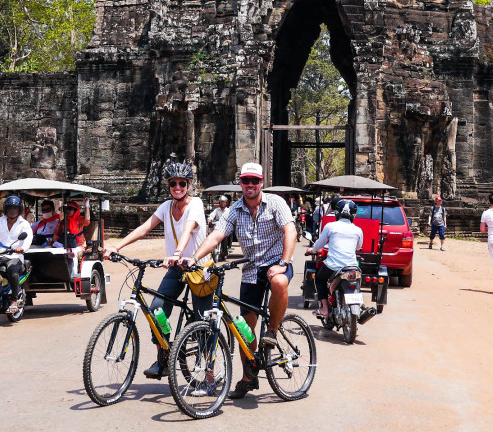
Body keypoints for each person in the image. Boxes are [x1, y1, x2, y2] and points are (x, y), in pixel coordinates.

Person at [185, 162, 296, 400]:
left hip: (277, 264)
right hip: (251, 271)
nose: (250, 185)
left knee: (278, 282)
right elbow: (216, 235)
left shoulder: (276, 203)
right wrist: (194, 258)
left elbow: (290, 231)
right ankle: (249, 377)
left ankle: (274, 331)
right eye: (246, 181)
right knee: (244, 329)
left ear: (262, 183)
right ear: (241, 184)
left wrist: (284, 263)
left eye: (255, 181)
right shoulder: (234, 210)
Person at [102, 160, 211, 380]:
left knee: (202, 322)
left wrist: (178, 254)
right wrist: (117, 246)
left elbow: (189, 230)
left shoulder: (196, 204)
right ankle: (164, 355)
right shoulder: (165, 207)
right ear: (168, 186)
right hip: (176, 269)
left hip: (199, 269)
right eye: (173, 183)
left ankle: (209, 373)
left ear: (188, 184)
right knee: (156, 309)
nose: (177, 187)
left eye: (182, 183)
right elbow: (145, 228)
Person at [306, 199, 364, 318]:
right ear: (353, 214)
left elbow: (320, 244)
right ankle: (361, 304)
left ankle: (325, 308)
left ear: (337, 212)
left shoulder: (330, 226)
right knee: (357, 281)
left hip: (333, 265)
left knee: (319, 279)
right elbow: (359, 247)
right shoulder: (358, 230)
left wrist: (312, 250)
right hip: (352, 266)